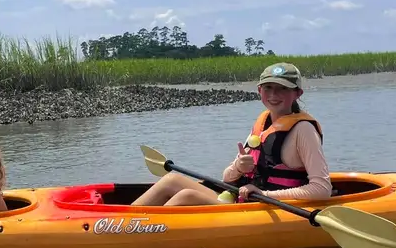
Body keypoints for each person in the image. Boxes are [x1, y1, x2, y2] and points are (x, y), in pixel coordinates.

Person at [131, 62, 332, 206]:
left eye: (282, 89)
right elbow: (227, 177)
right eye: (268, 88)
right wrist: (239, 166)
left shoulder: (303, 129)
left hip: (266, 204)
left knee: (187, 197)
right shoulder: (263, 123)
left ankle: (142, 237)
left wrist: (265, 193)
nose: (273, 95)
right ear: (259, 90)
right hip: (243, 197)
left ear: (298, 93)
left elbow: (322, 190)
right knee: (171, 180)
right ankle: (125, 224)